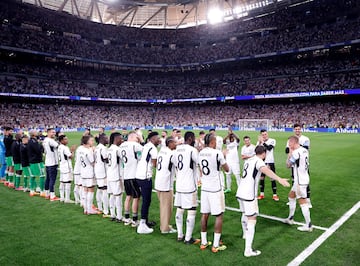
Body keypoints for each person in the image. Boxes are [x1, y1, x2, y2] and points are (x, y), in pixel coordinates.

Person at [236, 145, 290, 257]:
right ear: (264, 153)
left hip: (240, 191)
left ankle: (245, 234)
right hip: (249, 194)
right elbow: (265, 170)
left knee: (244, 213)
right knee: (252, 219)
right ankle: (248, 250)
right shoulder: (259, 161)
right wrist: (279, 179)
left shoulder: (249, 160)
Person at [199, 133, 230, 253]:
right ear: (212, 142)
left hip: (205, 187)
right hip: (215, 188)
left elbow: (201, 168)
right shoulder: (217, 153)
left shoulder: (201, 152)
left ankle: (203, 242)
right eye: (215, 141)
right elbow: (227, 169)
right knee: (219, 215)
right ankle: (216, 245)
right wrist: (224, 156)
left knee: (204, 214)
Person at [174, 131, 200, 244]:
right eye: (193, 138)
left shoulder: (177, 149)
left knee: (180, 209)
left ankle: (180, 235)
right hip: (189, 185)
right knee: (192, 209)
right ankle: (188, 238)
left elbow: (175, 164)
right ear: (190, 138)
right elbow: (199, 162)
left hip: (179, 184)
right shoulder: (192, 150)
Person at [284, 136, 312, 232]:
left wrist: (289, 154)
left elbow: (288, 165)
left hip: (300, 181)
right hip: (302, 178)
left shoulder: (296, 152)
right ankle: (290, 218)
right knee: (291, 196)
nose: (288, 145)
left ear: (293, 142)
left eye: (289, 143)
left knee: (302, 202)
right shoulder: (304, 150)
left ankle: (308, 225)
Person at [135, 131, 160, 234]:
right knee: (146, 200)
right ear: (153, 139)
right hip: (145, 176)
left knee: (144, 200)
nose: (159, 140)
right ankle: (142, 224)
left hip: (138, 174)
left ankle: (144, 221)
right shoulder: (153, 148)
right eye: (157, 138)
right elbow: (155, 164)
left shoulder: (146, 146)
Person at [119, 132, 143, 227]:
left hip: (126, 174)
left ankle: (127, 217)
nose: (137, 140)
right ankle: (134, 219)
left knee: (128, 196)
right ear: (132, 137)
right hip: (133, 174)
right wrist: (141, 140)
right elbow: (145, 150)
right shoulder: (134, 144)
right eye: (136, 138)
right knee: (136, 197)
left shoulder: (121, 146)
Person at [155, 137, 177, 234]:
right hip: (166, 184)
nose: (176, 144)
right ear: (170, 143)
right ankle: (165, 228)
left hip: (159, 181)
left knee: (163, 206)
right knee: (166, 207)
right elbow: (178, 165)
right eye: (175, 142)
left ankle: (165, 224)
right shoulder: (171, 154)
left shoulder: (162, 151)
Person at [285, 123, 311, 207]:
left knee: (304, 183)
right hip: (294, 164)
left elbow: (305, 149)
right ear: (294, 130)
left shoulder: (305, 139)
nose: (297, 130)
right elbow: (287, 149)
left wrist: (293, 149)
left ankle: (308, 200)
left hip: (303, 165)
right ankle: (294, 199)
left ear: (301, 129)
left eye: (299, 129)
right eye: (296, 129)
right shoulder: (291, 139)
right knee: (294, 181)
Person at [257, 129, 279, 201]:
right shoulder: (259, 142)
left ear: (267, 134)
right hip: (262, 163)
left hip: (270, 162)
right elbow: (257, 152)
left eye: (265, 134)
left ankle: (275, 195)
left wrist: (262, 142)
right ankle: (262, 194)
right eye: (263, 135)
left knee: (272, 178)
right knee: (262, 178)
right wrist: (260, 143)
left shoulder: (272, 140)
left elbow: (269, 148)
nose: (264, 136)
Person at [107, 132, 125, 222]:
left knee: (112, 195)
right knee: (118, 196)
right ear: (116, 139)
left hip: (109, 174)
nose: (121, 140)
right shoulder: (117, 149)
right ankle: (119, 216)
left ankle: (113, 214)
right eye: (120, 138)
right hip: (116, 175)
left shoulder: (109, 149)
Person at [79, 135, 98, 215]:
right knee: (90, 190)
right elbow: (92, 161)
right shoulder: (88, 151)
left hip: (83, 172)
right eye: (91, 140)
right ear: (87, 142)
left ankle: (86, 209)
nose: (93, 142)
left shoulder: (81, 149)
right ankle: (89, 209)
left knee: (85, 190)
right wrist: (93, 152)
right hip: (89, 172)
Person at [94, 134, 109, 217]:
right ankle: (106, 211)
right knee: (104, 190)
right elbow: (106, 159)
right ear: (102, 139)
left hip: (97, 170)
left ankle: (99, 208)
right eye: (106, 138)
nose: (108, 139)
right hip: (103, 171)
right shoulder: (103, 148)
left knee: (99, 189)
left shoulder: (97, 148)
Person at [43, 128, 60, 201]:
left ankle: (47, 193)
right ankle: (52, 195)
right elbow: (58, 146)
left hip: (47, 162)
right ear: (48, 133)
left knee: (48, 179)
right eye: (52, 132)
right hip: (53, 162)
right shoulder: (50, 140)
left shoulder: (45, 140)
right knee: (52, 179)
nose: (54, 134)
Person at [58, 135, 75, 203]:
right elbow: (70, 156)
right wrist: (73, 151)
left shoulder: (60, 147)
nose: (67, 140)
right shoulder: (65, 147)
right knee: (68, 182)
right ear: (61, 140)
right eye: (65, 139)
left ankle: (62, 197)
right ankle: (67, 198)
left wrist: (70, 150)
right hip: (67, 167)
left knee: (62, 182)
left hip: (62, 166)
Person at [28, 130, 45, 197]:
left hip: (32, 160)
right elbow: (38, 150)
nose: (37, 132)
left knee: (32, 175)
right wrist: (41, 145)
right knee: (42, 175)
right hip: (36, 161)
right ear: (33, 134)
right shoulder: (34, 141)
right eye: (35, 132)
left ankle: (32, 191)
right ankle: (42, 191)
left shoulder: (30, 141)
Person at [223, 129, 241, 193]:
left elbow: (238, 139)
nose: (231, 137)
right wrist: (228, 135)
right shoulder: (227, 142)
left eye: (231, 136)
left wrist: (233, 134)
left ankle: (240, 189)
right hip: (228, 161)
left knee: (237, 175)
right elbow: (224, 141)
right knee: (228, 175)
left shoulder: (236, 142)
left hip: (235, 161)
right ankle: (228, 188)